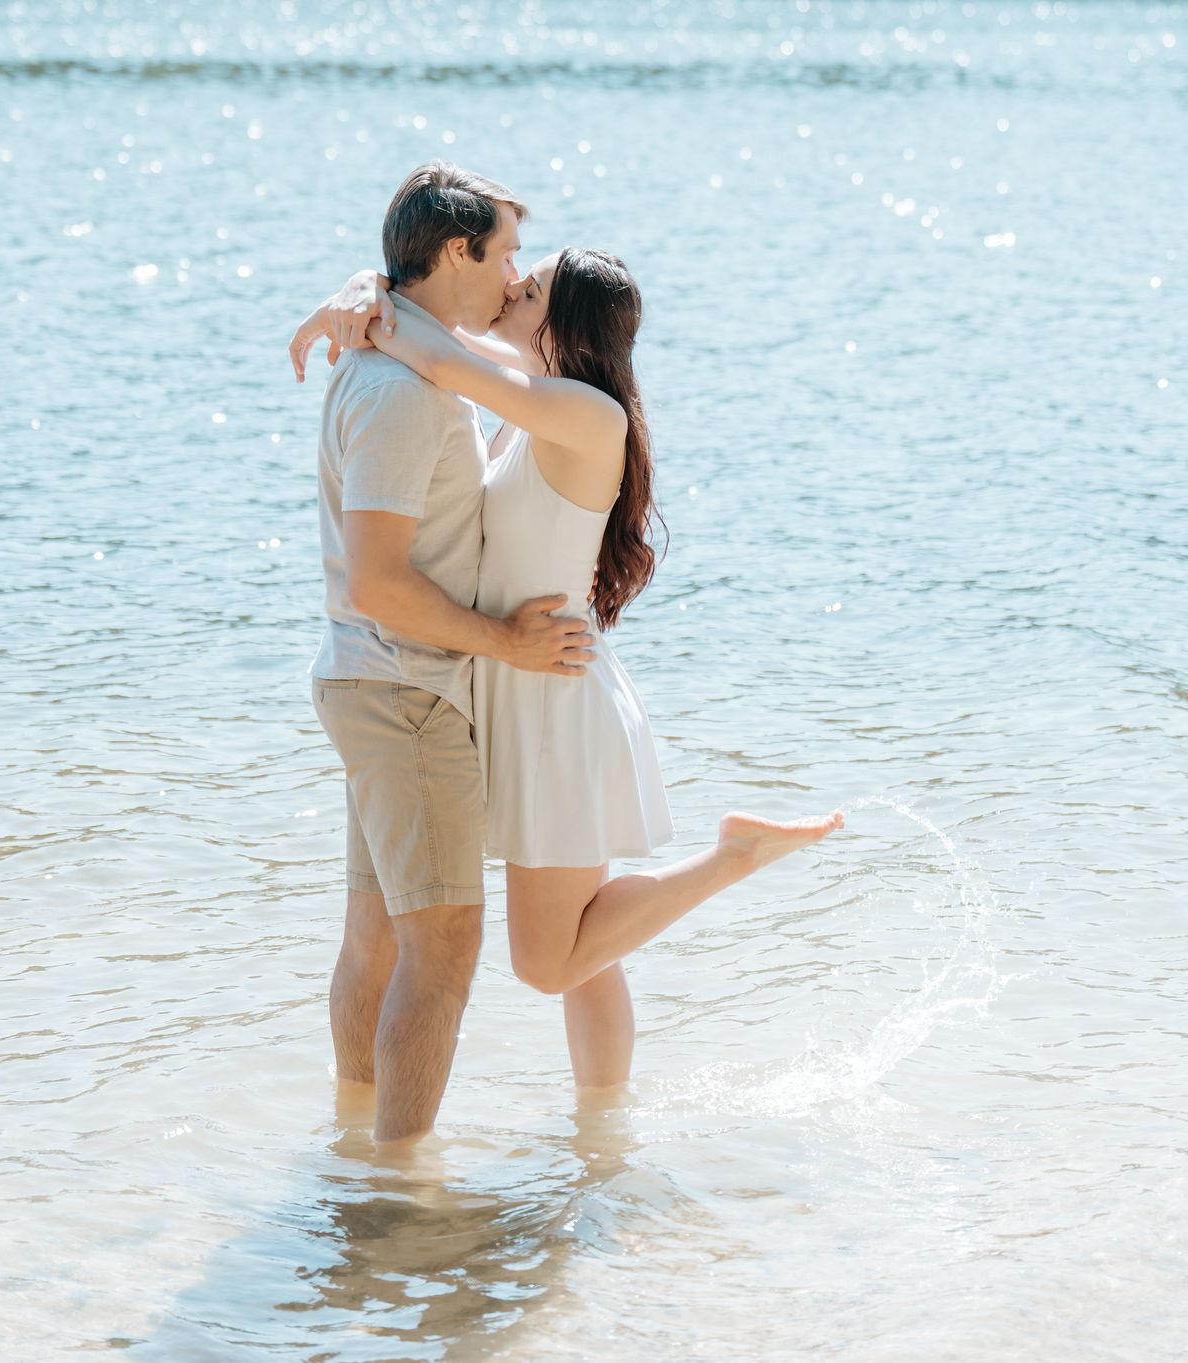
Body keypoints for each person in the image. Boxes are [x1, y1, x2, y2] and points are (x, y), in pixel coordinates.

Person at [292, 221, 846, 1099]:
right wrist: (365, 287)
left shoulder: (586, 414)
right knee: (590, 949)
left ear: (569, 326)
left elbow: (439, 357)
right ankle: (602, 1130)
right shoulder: (532, 397)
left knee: (548, 962)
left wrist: (362, 301)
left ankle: (732, 857)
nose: (512, 284)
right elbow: (438, 331)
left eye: (534, 286)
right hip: (528, 682)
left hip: (550, 702)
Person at [298, 161, 597, 1154]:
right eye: (505, 251)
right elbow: (384, 580)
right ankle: (397, 1181)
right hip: (405, 692)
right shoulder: (405, 397)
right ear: (458, 250)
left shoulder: (402, 366)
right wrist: (506, 643)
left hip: (378, 682)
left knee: (379, 937)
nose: (514, 274)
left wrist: (361, 293)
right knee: (442, 949)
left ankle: (358, 1148)